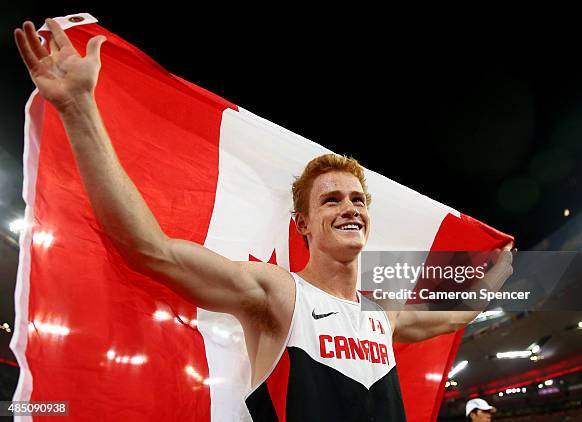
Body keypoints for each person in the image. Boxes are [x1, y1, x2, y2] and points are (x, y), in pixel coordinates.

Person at [14, 18, 514, 421]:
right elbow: (150, 249)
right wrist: (79, 109)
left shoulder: (382, 316)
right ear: (304, 224)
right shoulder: (278, 293)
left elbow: (453, 315)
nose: (350, 208)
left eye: (358, 200)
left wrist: (494, 279)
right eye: (332, 200)